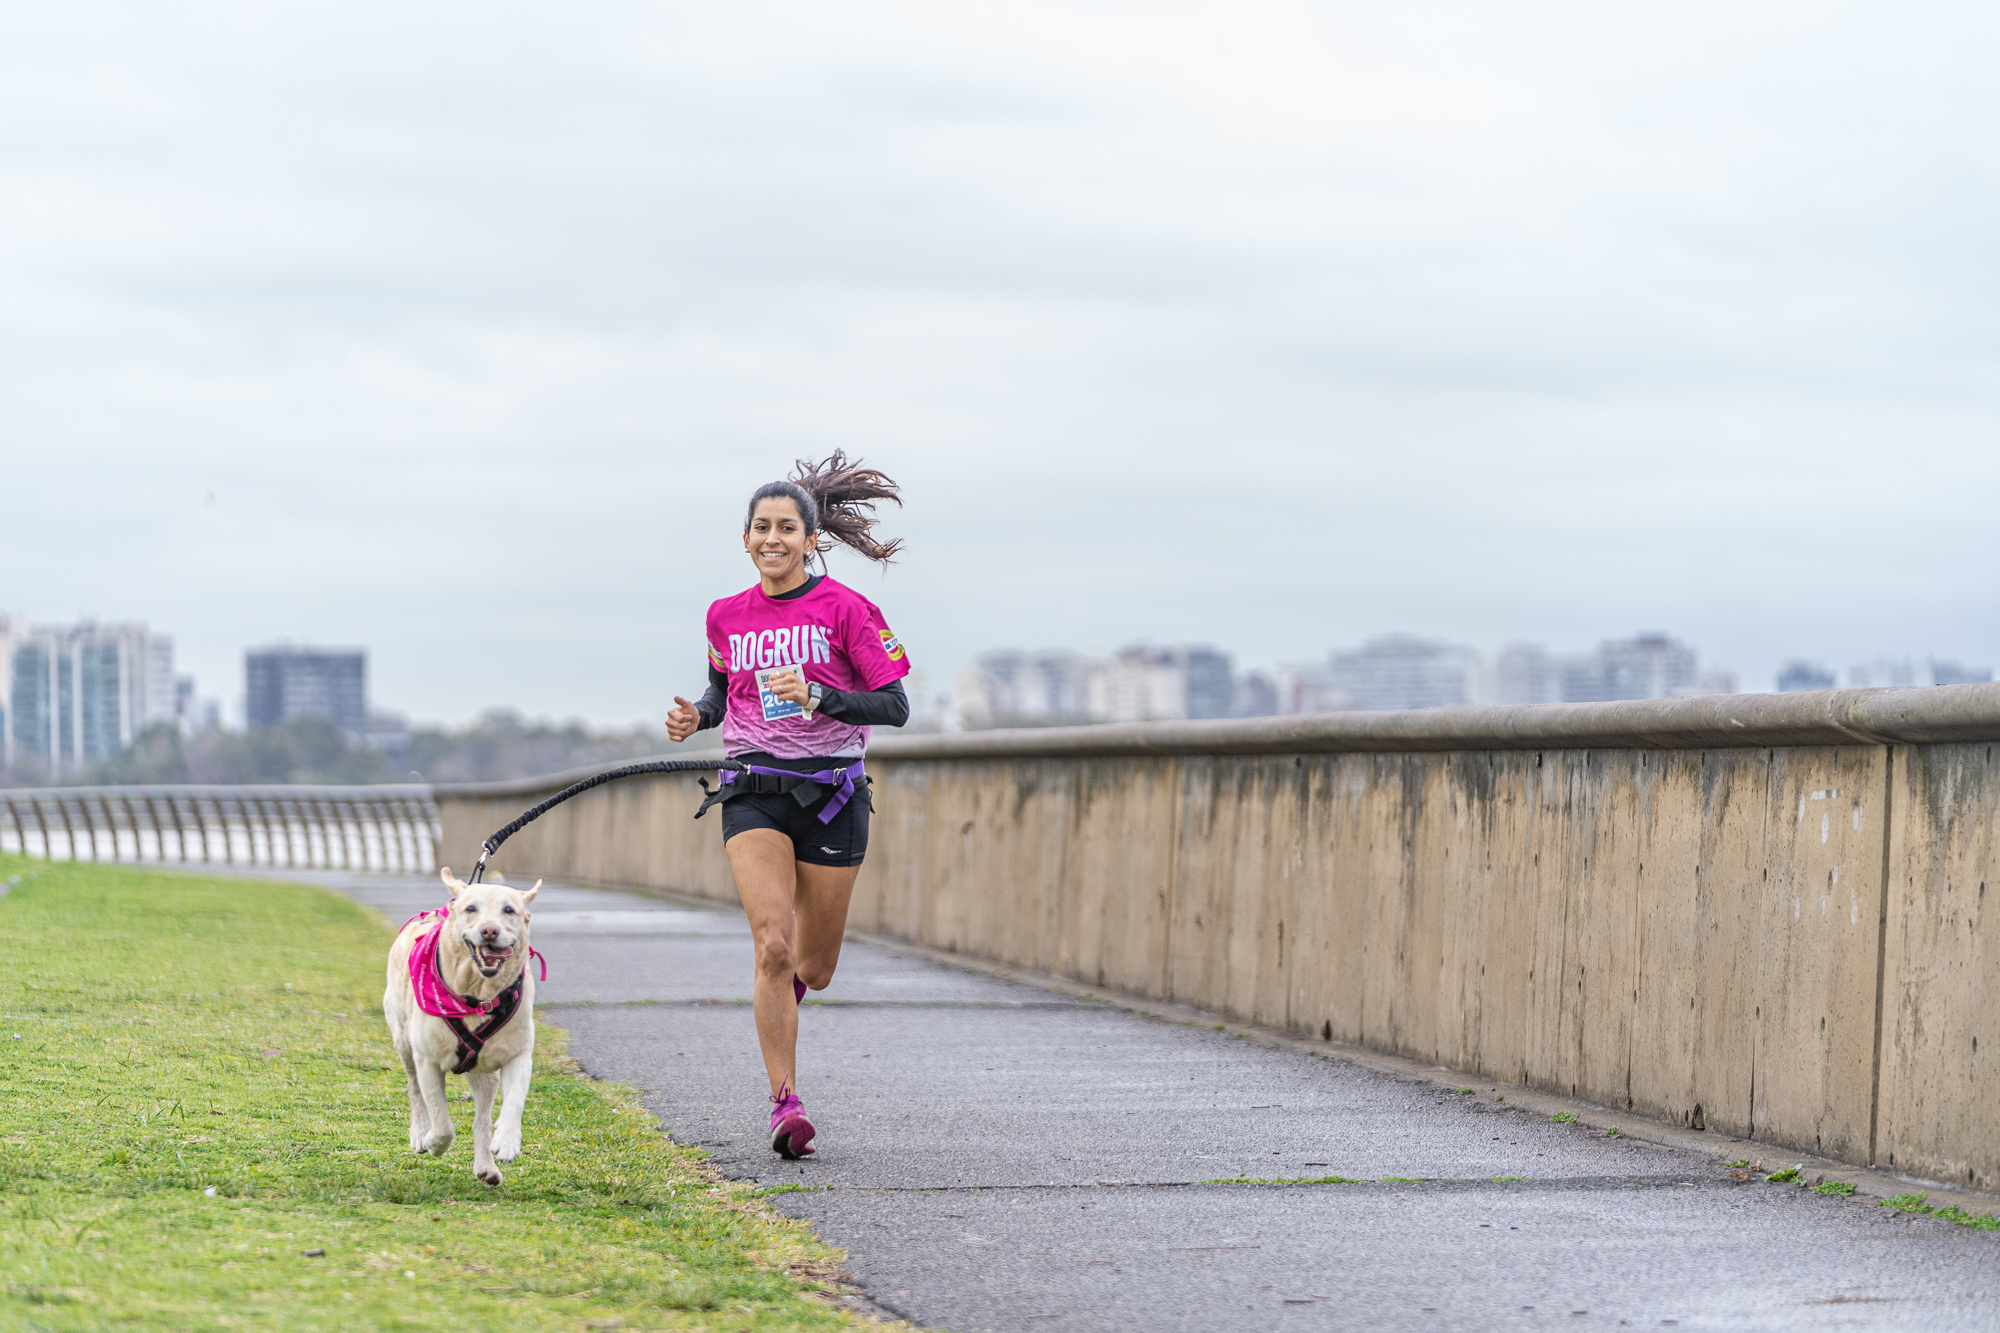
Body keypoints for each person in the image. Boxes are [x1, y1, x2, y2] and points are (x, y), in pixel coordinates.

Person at [664, 453, 911, 1160]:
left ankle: (786, 1000)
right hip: (753, 792)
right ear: (746, 539)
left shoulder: (848, 610)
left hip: (833, 796)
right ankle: (786, 1103)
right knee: (771, 944)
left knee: (813, 965)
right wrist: (696, 717)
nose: (772, 538)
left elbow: (893, 704)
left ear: (809, 540)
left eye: (786, 528)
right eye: (760, 527)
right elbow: (722, 693)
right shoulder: (725, 616)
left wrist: (822, 696)